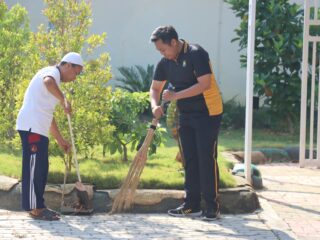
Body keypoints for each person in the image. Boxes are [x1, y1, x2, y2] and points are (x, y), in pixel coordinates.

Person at [149, 26, 223, 221]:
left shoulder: (196, 54)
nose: (162, 54)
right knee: (189, 158)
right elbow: (155, 88)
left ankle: (212, 206)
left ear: (174, 42)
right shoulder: (165, 62)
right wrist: (154, 105)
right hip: (186, 114)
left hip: (209, 112)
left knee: (205, 157)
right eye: (159, 51)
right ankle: (192, 205)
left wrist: (175, 96)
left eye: (163, 49)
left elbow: (204, 84)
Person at [16, 52, 84, 221]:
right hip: (31, 127)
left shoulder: (55, 84)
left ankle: (39, 206)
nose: (75, 77)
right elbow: (48, 82)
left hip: (39, 129)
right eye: (76, 72)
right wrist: (64, 100)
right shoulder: (51, 73)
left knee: (40, 169)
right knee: (33, 168)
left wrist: (60, 140)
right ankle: (35, 209)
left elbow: (49, 116)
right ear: (67, 65)